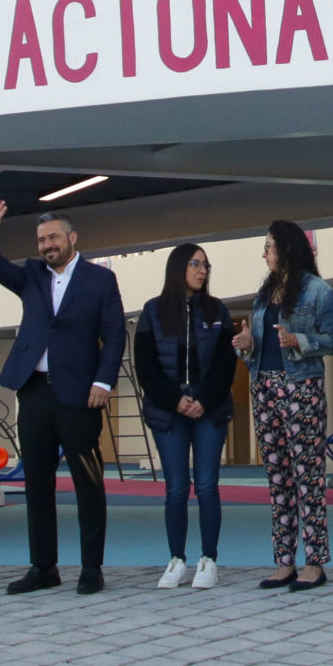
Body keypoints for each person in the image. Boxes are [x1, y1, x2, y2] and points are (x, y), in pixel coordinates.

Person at [0, 199, 123, 595]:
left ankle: (92, 567)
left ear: (72, 238)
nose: (47, 245)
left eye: (54, 237)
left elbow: (115, 336)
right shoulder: (33, 275)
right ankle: (43, 567)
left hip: (80, 395)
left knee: (87, 482)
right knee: (36, 483)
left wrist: (103, 383)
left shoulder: (99, 280)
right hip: (35, 393)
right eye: (41, 239)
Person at [235, 219, 333, 591]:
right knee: (277, 478)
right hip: (264, 388)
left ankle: (315, 562)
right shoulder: (263, 295)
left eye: (269, 246)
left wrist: (299, 339)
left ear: (288, 248)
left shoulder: (319, 292)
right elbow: (262, 348)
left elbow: (332, 340)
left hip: (301, 390)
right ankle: (284, 561)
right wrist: (248, 346)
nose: (264, 253)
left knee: (307, 477)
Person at [133, 243, 238, 589]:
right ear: (178, 267)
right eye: (195, 264)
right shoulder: (152, 311)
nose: (202, 270)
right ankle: (176, 560)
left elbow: (226, 365)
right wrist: (175, 400)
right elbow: (145, 367)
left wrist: (203, 400)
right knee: (176, 488)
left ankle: (208, 560)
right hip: (169, 412)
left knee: (207, 485)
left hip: (209, 410)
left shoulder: (217, 310)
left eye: (206, 265)